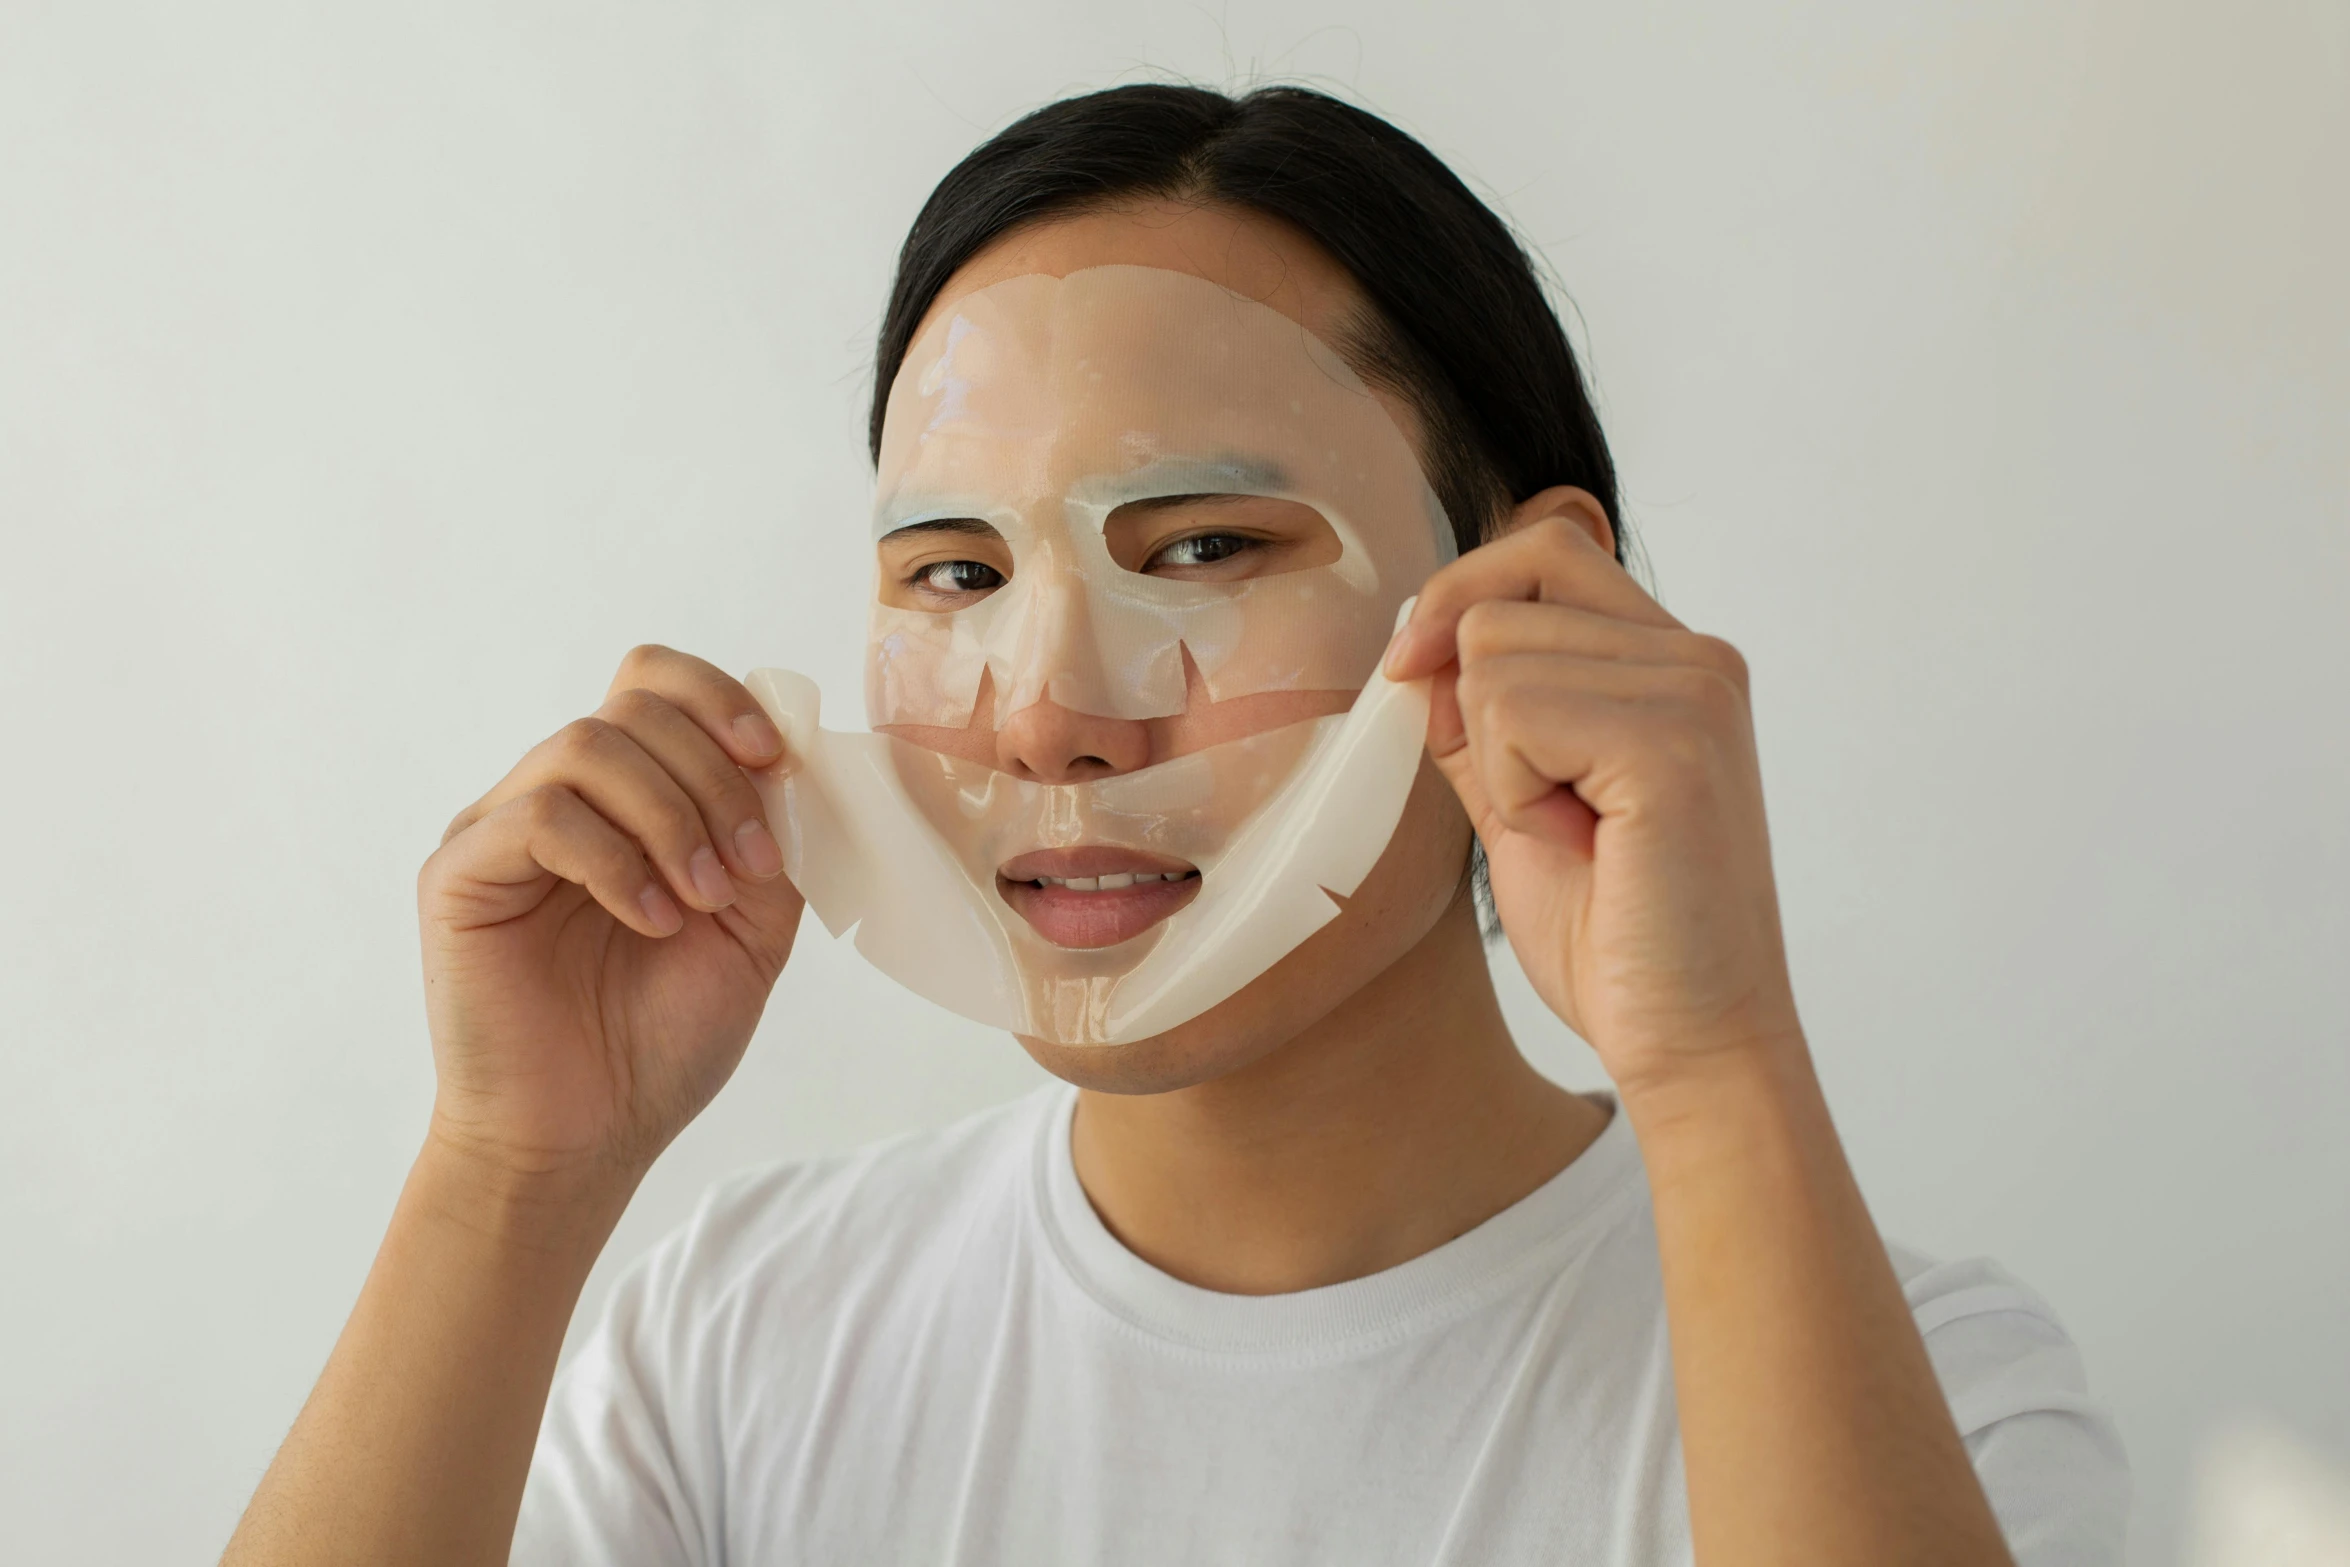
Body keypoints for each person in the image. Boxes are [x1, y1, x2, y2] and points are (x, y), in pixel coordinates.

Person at [222, 84, 2129, 1566]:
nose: (1049, 708)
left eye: (1205, 548)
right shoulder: (742, 1339)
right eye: (951, 570)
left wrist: (1714, 1063)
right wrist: (506, 1174)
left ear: (1534, 599)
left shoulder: (1927, 1392)